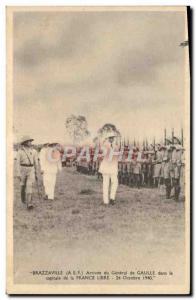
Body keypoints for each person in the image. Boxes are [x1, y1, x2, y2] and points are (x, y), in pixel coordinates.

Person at [16, 135, 39, 209]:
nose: (30, 142)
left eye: (30, 141)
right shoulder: (20, 151)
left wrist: (36, 171)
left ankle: (29, 203)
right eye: (29, 141)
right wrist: (18, 173)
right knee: (23, 185)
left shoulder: (34, 151)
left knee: (29, 185)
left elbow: (36, 162)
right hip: (23, 169)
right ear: (25, 142)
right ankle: (23, 200)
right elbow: (17, 163)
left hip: (31, 169)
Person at [99, 132, 120, 205]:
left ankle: (112, 198)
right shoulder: (104, 146)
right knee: (106, 184)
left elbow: (116, 157)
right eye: (110, 138)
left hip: (113, 168)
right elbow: (102, 153)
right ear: (108, 139)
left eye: (112, 138)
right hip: (106, 167)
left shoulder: (116, 146)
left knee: (115, 182)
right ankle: (105, 201)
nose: (111, 139)